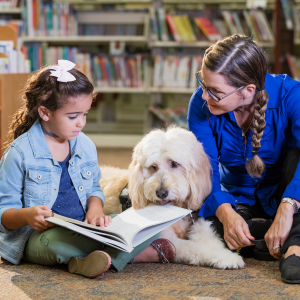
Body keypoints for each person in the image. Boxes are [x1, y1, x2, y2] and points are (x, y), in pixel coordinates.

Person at [0, 60, 176, 278]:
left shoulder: (84, 145)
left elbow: (94, 187)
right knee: (54, 245)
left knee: (147, 224)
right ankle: (129, 256)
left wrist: (95, 209)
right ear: (44, 112)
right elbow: (3, 213)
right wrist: (26, 216)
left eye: (85, 114)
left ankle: (86, 262)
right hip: (38, 237)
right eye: (73, 116)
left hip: (83, 227)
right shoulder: (19, 153)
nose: (81, 123)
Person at [188, 34, 300, 284]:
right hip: (237, 197)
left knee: (297, 155)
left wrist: (287, 206)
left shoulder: (291, 95)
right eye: (203, 84)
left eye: (215, 91)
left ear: (248, 90)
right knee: (201, 228)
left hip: (288, 192)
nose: (205, 97)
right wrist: (226, 213)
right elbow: (204, 168)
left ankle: (291, 242)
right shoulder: (200, 102)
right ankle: (268, 235)